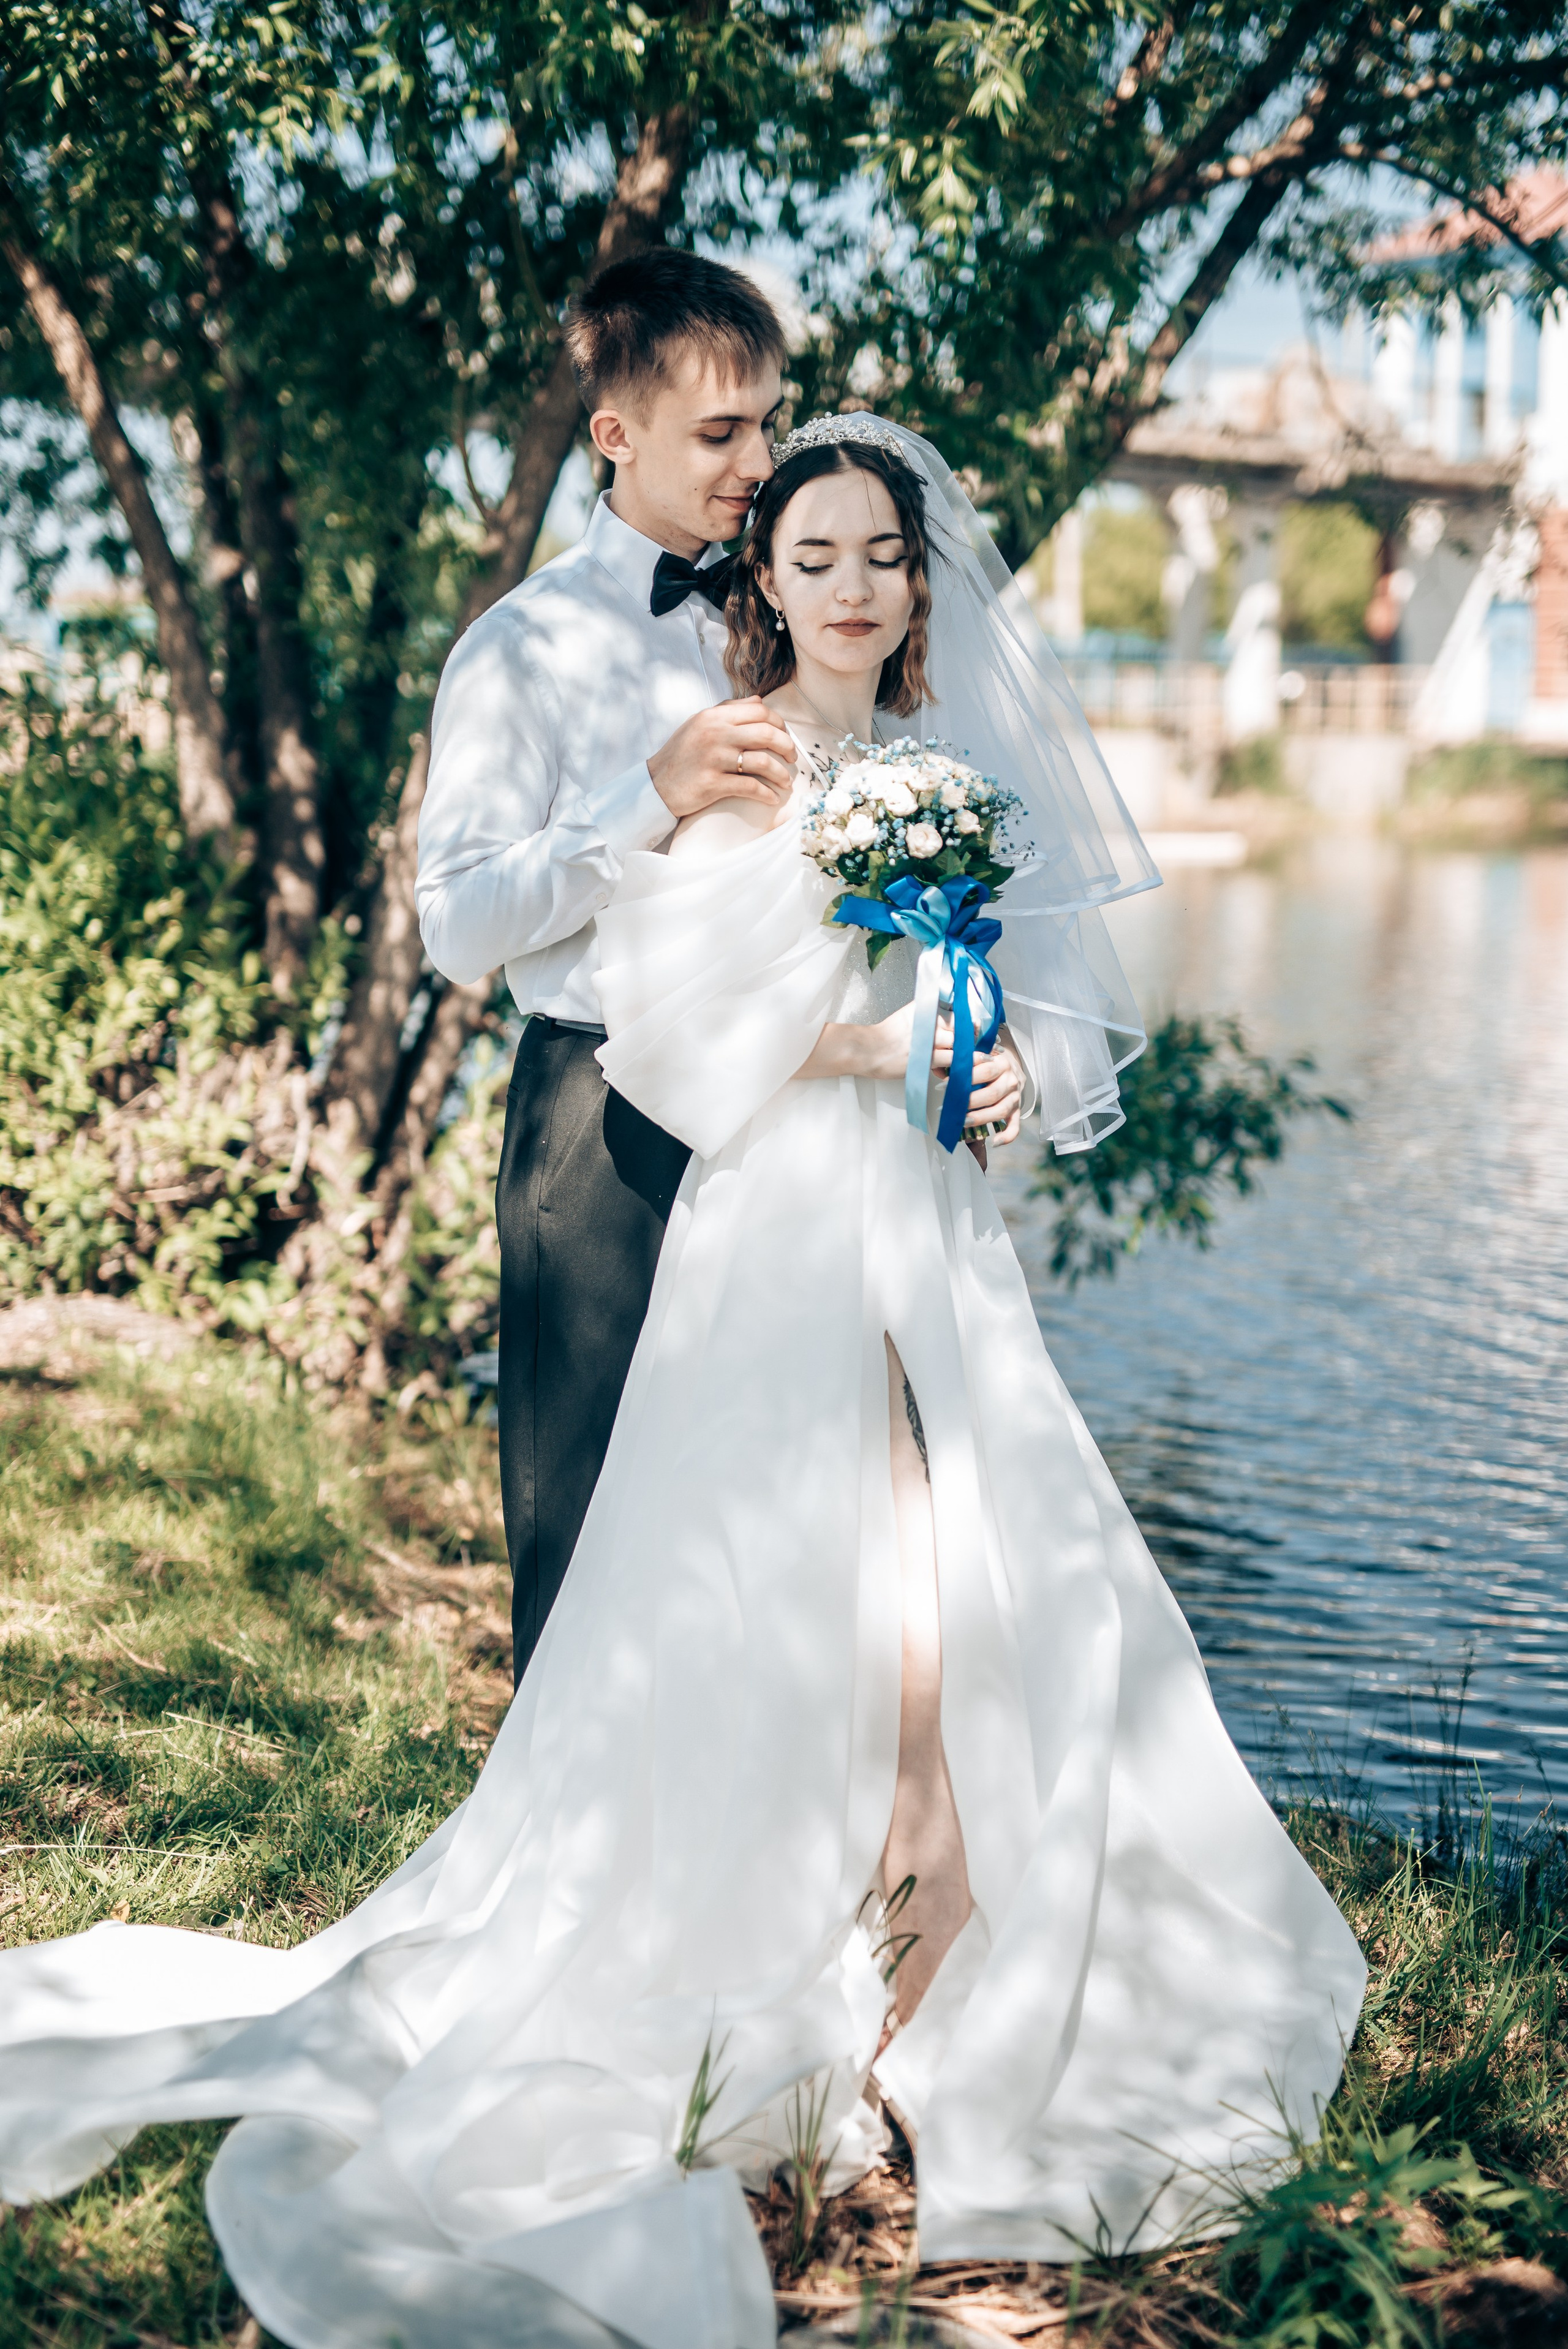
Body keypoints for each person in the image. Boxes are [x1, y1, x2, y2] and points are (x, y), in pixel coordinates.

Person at [0, 416, 1367, 2349]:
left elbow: (1040, 1035)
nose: (857, 584)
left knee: (986, 1582)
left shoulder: (953, 778)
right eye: (816, 553)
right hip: (781, 1246)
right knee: (853, 1611)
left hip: (937, 1251)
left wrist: (996, 1081)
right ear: (770, 582)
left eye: (884, 551)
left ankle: (943, 1982)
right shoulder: (739, 783)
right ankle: (887, 1980)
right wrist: (869, 1042)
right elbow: (672, 1044)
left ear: (916, 579)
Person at [416, 248, 803, 1680]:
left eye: (767, 421)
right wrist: (652, 791)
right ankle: (563, 1877)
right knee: (580, 1513)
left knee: (775, 1513)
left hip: (791, 1109)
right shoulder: (517, 652)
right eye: (721, 433)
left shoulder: (794, 610)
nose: (757, 461)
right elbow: (455, 931)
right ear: (614, 436)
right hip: (600, 1114)